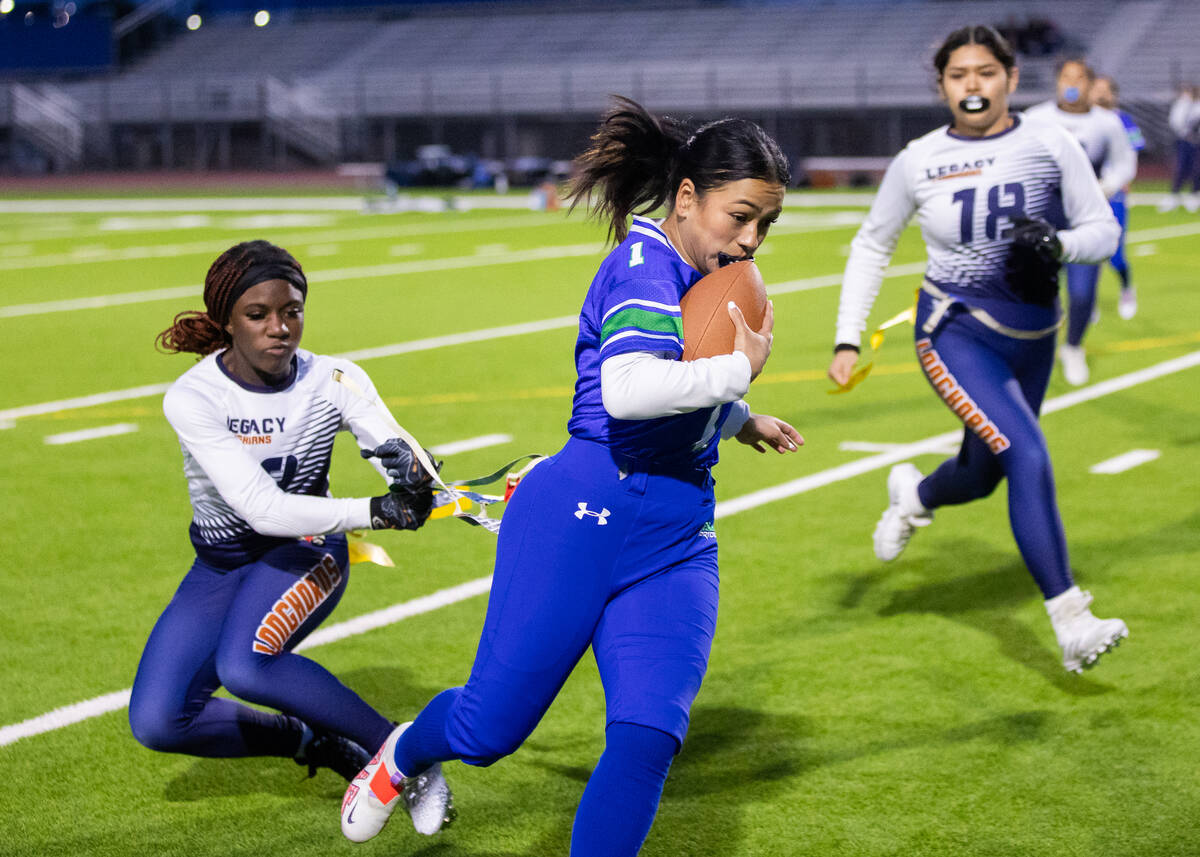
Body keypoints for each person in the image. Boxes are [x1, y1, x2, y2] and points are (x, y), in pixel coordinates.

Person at [339, 97, 803, 854]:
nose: (750, 241)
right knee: (488, 730)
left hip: (678, 532)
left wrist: (737, 416)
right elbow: (627, 391)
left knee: (649, 735)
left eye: (766, 225)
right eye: (740, 216)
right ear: (687, 197)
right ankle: (401, 754)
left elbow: (676, 385)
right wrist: (736, 371)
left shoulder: (698, 269)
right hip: (580, 514)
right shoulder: (642, 263)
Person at [827, 26, 1128, 674]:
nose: (972, 84)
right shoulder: (918, 158)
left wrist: (1059, 244)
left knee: (987, 472)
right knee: (1025, 452)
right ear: (941, 87)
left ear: (1011, 80)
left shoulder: (1051, 142)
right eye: (958, 74)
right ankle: (1071, 617)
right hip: (955, 330)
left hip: (1036, 337)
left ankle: (914, 494)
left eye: (985, 72)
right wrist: (848, 335)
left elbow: (1102, 229)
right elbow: (873, 244)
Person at [130, 240, 449, 827]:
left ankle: (408, 759)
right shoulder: (194, 396)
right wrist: (375, 512)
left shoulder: (334, 378)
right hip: (224, 562)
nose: (280, 328)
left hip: (305, 551)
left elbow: (389, 447)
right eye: (258, 315)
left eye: (292, 310)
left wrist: (410, 468)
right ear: (226, 320)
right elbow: (261, 509)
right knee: (158, 722)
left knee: (248, 666)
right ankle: (314, 742)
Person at [1026, 59, 1136, 385]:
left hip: (1086, 221)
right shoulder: (1036, 118)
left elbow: (1124, 162)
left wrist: (1107, 186)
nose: (1071, 83)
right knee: (1034, 293)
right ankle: (1032, 352)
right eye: (1065, 77)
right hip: (1044, 218)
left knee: (1083, 293)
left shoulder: (1108, 123)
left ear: (1090, 84)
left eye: (1079, 78)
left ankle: (1073, 347)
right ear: (1057, 82)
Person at [1090, 75, 1145, 319]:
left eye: (1105, 90)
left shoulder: (1123, 120)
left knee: (1116, 255)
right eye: (1096, 89)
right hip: (1086, 196)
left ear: (1113, 94)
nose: (1100, 95)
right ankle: (1087, 301)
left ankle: (1126, 289)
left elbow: (1134, 150)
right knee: (1085, 252)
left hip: (1113, 194)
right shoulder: (1081, 121)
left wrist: (1124, 179)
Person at [1159, 84, 1200, 213]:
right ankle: (1174, 195)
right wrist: (1186, 133)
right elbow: (1175, 121)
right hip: (1184, 140)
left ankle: (1194, 194)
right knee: (1181, 167)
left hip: (1198, 142)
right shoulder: (1183, 104)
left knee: (1197, 168)